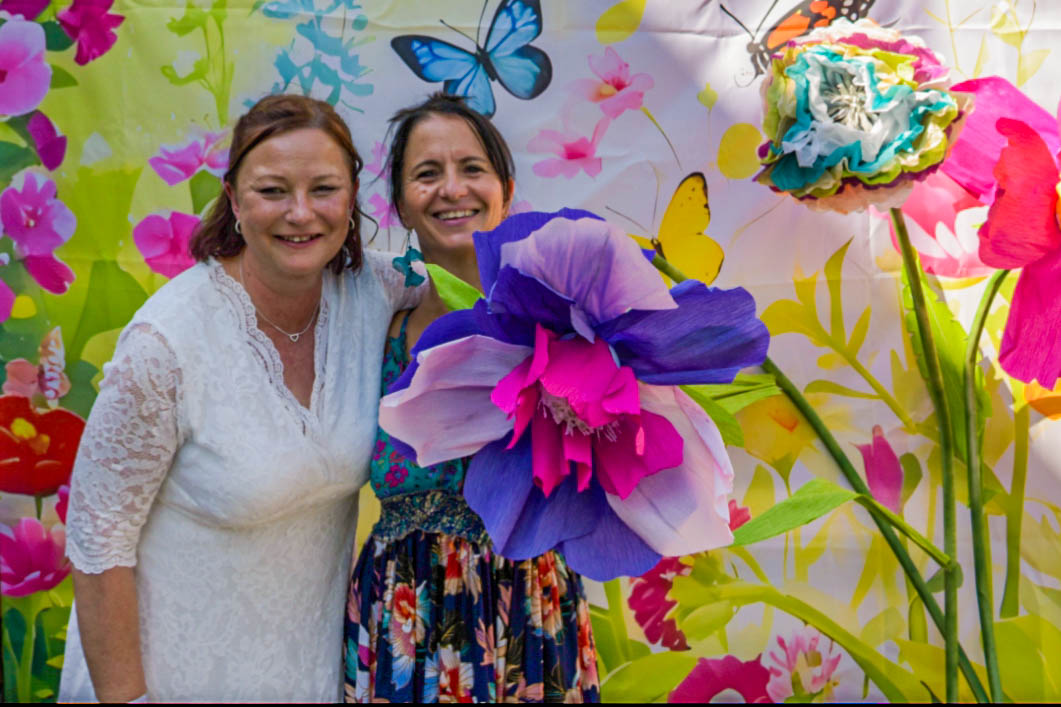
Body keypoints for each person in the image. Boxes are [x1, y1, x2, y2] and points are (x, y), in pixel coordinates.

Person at [59, 94, 423, 702]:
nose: (300, 213)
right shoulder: (165, 344)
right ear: (233, 198)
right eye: (272, 191)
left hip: (306, 680)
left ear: (353, 195)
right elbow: (98, 537)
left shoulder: (378, 293)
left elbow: (476, 291)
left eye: (324, 189)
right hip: (167, 683)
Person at [343, 93, 600, 703]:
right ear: (400, 202)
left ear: (505, 190)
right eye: (427, 173)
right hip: (402, 620)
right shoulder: (378, 333)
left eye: (472, 169)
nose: (452, 189)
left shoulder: (563, 324)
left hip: (528, 616)